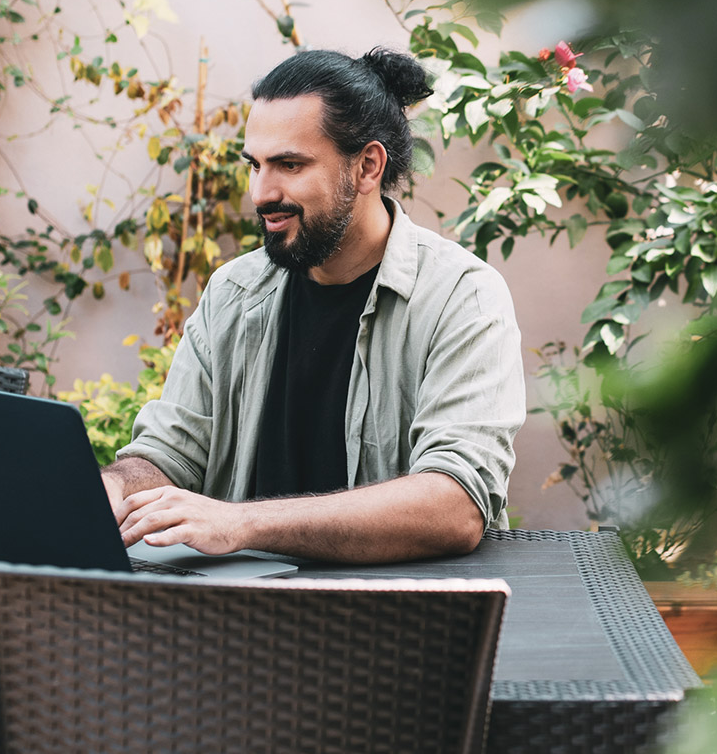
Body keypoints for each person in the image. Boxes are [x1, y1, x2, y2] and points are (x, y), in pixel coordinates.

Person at [103, 48, 525, 564]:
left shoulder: (462, 296)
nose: (261, 193)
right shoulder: (233, 292)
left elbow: (454, 505)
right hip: (236, 609)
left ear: (367, 166)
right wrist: (116, 484)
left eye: (289, 165)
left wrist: (241, 523)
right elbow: (171, 450)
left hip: (397, 614)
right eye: (254, 165)